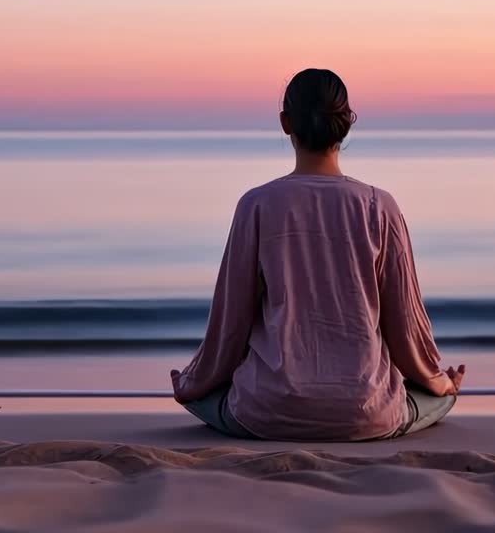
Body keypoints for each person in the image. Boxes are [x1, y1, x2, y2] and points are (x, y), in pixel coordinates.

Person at [170, 68, 464, 441]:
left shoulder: (257, 205)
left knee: (203, 396)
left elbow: (231, 326)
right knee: (439, 399)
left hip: (269, 412)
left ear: (285, 123)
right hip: (365, 413)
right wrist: (440, 383)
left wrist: (193, 384)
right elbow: (404, 327)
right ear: (346, 125)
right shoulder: (379, 207)